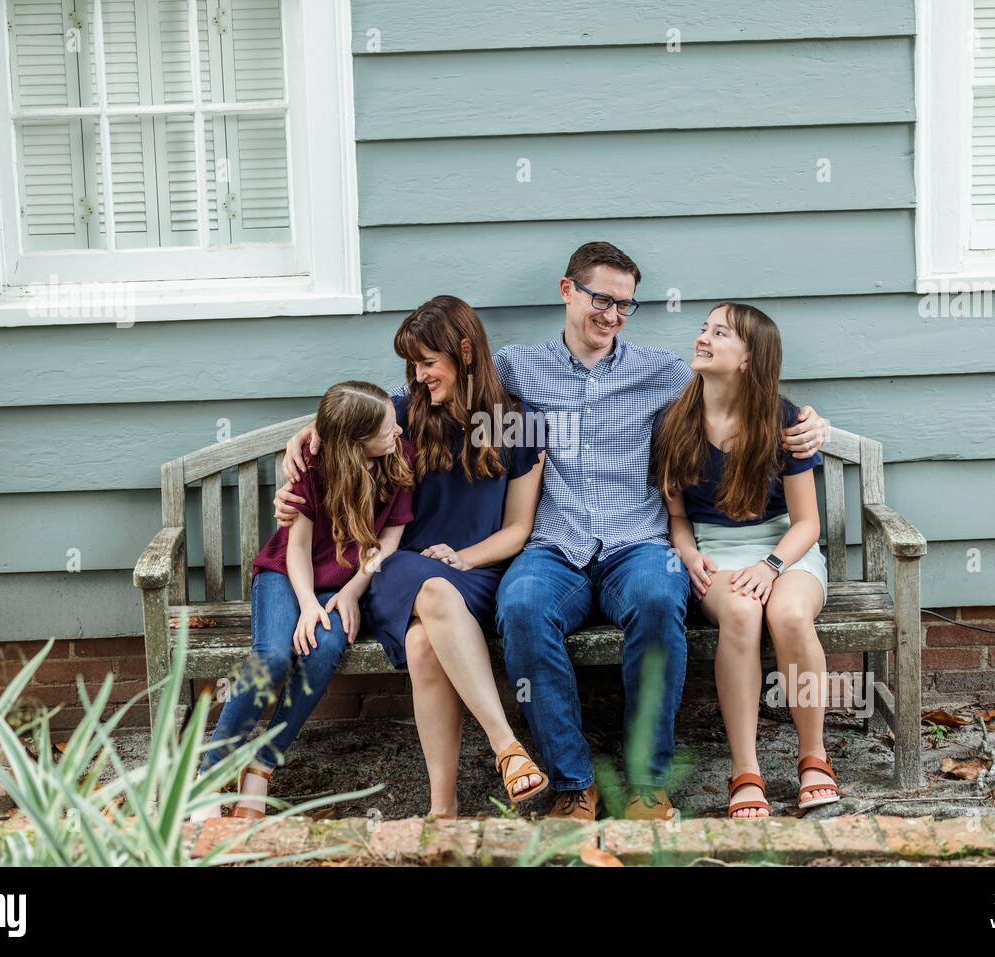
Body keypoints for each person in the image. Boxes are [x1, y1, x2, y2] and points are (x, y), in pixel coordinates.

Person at [280, 241, 830, 821]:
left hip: (637, 542)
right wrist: (313, 434)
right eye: (602, 299)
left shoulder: (664, 373)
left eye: (625, 305)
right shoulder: (519, 368)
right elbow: (410, 398)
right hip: (550, 545)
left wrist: (814, 423)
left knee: (655, 600)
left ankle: (646, 782)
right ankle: (572, 784)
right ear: (567, 291)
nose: (612, 315)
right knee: (521, 608)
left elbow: (745, 394)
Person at [276, 297, 550, 815]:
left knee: (424, 644)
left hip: (476, 572)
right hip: (396, 564)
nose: (419, 375)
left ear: (465, 352)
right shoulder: (404, 413)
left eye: (428, 362)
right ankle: (505, 746)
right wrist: (301, 437)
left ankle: (441, 812)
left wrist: (466, 558)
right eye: (413, 365)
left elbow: (517, 530)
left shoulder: (519, 423)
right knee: (426, 585)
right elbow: (341, 427)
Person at [191, 381, 414, 822]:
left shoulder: (396, 459)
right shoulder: (314, 466)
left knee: (322, 649)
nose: (398, 431)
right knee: (273, 657)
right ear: (354, 442)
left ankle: (261, 768)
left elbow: (389, 539)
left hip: (344, 584)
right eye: (388, 427)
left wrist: (351, 591)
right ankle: (206, 777)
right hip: (287, 575)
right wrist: (309, 603)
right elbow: (296, 548)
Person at [654, 302, 838, 818]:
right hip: (715, 550)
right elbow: (679, 518)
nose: (703, 338)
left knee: (790, 616)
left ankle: (814, 757)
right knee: (739, 613)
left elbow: (807, 523)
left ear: (748, 359)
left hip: (785, 548)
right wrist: (688, 555)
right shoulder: (676, 422)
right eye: (704, 328)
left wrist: (771, 566)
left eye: (720, 333)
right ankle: (746, 769)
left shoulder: (784, 421)